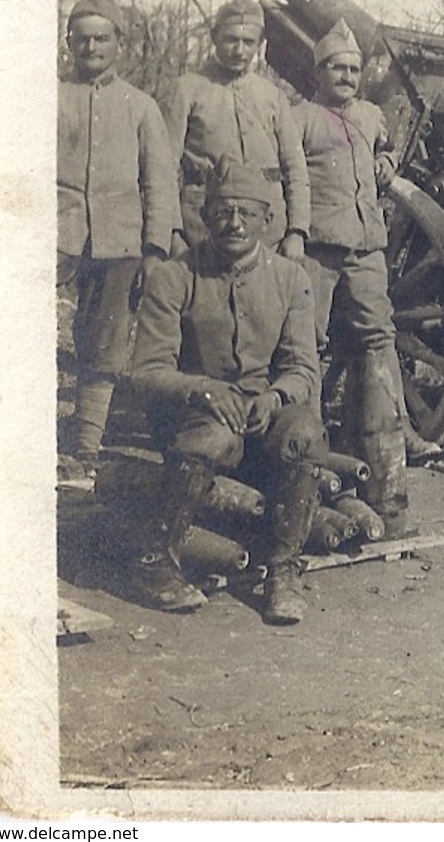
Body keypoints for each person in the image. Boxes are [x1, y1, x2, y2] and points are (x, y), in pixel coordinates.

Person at [126, 156, 323, 623]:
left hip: (263, 416)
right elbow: (147, 370)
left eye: (246, 213)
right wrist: (202, 390)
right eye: (222, 211)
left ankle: (283, 571)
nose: (234, 223)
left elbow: (302, 367)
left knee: (306, 433)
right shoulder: (175, 276)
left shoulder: (291, 279)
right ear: (205, 215)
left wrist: (274, 398)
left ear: (267, 221)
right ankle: (154, 562)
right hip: (195, 420)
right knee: (213, 436)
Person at [290, 19, 417, 536]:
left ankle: (387, 486)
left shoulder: (369, 115)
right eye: (335, 68)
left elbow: (386, 150)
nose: (345, 76)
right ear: (318, 72)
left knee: (378, 342)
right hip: (318, 248)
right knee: (308, 347)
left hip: (367, 248)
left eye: (352, 69)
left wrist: (386, 160)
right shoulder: (298, 117)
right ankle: (308, 473)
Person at [57, 0, 181, 477]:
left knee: (105, 341)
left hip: (120, 242)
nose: (92, 48)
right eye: (83, 39)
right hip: (59, 235)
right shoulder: (52, 99)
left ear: (118, 45)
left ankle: (85, 447)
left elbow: (159, 182)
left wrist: (154, 249)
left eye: (102, 39)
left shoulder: (140, 106)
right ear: (69, 43)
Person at [163, 0, 309, 258]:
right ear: (214, 36)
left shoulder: (272, 95)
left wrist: (297, 231)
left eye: (248, 42)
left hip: (267, 228)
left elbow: (295, 168)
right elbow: (165, 167)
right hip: (203, 224)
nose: (239, 50)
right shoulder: (186, 89)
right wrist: (173, 232)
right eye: (231, 40)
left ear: (260, 44)